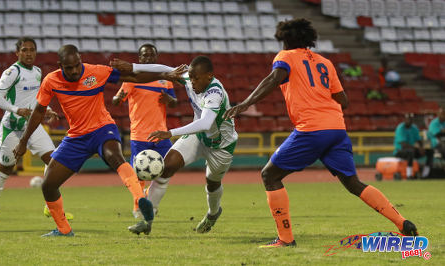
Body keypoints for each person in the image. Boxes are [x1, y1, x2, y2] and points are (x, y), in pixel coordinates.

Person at [224, 18, 418, 248]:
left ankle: (285, 239)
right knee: (354, 183)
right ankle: (401, 222)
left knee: (270, 176)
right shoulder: (326, 62)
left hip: (311, 129)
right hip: (337, 128)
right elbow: (343, 100)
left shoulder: (285, 57)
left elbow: (274, 78)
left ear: (286, 39)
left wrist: (245, 104)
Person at [13, 44, 185, 237]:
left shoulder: (96, 72)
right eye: (69, 68)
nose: (75, 70)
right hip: (76, 137)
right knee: (48, 185)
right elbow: (38, 112)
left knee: (116, 157)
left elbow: (133, 77)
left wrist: (163, 75)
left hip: (103, 128)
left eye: (77, 65)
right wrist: (23, 141)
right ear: (60, 65)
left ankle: (139, 200)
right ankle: (64, 230)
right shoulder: (51, 81)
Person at [113, 56, 238, 233]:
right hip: (197, 137)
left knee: (212, 184)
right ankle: (147, 221)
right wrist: (131, 66)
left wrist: (170, 133)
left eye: (196, 78)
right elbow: (161, 67)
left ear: (209, 77)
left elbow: (205, 123)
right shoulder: (190, 77)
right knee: (166, 167)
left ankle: (213, 212)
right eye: (191, 77)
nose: (192, 82)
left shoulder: (215, 92)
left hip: (221, 146)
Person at [0, 37, 70, 224]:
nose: (29, 53)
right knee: (5, 169)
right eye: (24, 50)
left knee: (54, 161)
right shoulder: (12, 72)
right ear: (17, 53)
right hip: (12, 128)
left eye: (32, 49)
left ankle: (52, 208)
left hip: (31, 126)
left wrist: (45, 111)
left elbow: (34, 98)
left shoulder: (38, 72)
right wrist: (17, 110)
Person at [111, 43, 178, 219]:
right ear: (139, 59)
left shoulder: (166, 79)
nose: (147, 58)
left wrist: (169, 99)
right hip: (139, 135)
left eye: (151, 56)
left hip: (161, 133)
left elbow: (175, 103)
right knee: (139, 174)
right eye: (144, 56)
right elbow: (118, 99)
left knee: (168, 167)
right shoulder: (132, 79)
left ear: (156, 57)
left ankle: (150, 198)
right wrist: (116, 99)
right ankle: (137, 207)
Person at [394, 113, 433, 178]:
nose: (409, 121)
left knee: (430, 151)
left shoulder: (414, 128)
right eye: (408, 119)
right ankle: (409, 175)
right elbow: (403, 145)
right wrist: (417, 148)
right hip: (400, 151)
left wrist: (422, 148)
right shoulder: (400, 128)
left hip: (413, 150)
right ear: (404, 119)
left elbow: (419, 140)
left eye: (411, 119)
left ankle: (425, 174)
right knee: (410, 151)